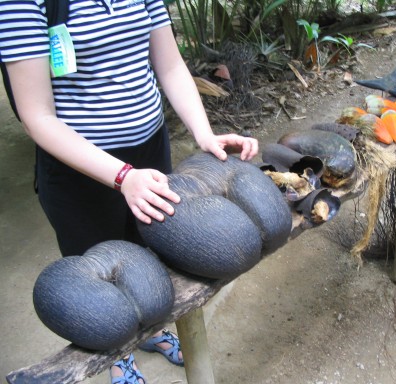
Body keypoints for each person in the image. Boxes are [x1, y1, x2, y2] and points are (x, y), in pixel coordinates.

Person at [0, 1, 258, 383]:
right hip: (81, 169)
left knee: (153, 253)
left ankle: (152, 331)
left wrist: (204, 134)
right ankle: (119, 358)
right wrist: (122, 177)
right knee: (103, 275)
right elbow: (38, 117)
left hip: (150, 151)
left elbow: (169, 65)